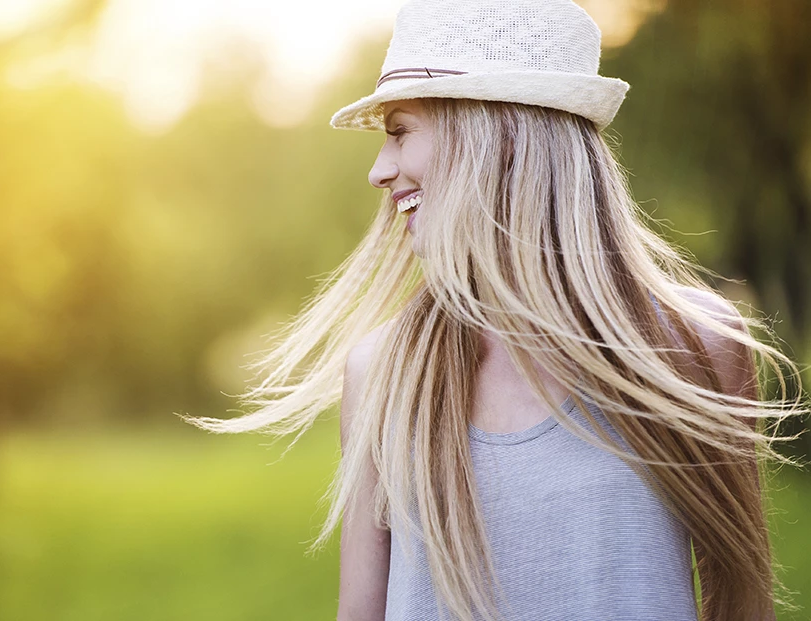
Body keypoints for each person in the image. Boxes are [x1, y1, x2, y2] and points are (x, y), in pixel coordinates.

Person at [186, 1, 808, 620]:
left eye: (401, 131)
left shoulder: (697, 346)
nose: (379, 171)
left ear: (502, 137)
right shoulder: (382, 372)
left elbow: (742, 603)